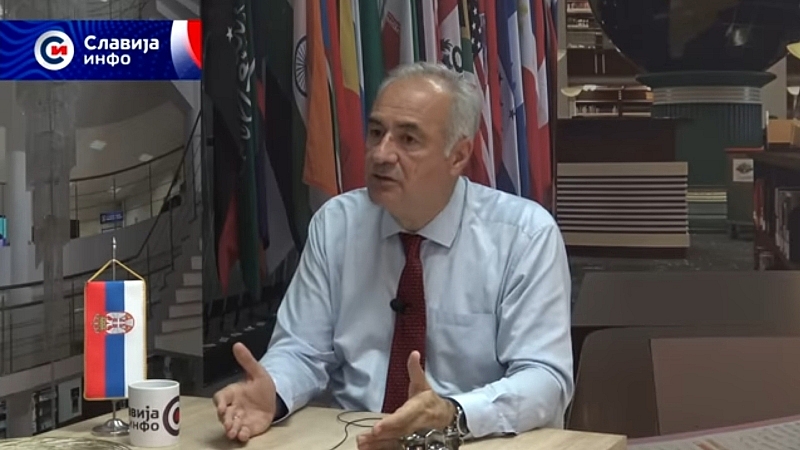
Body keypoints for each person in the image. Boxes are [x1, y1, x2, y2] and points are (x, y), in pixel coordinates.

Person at [213, 62, 574, 449]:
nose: (382, 154)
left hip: (473, 441)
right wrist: (274, 390)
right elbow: (302, 349)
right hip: (354, 439)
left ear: (458, 156)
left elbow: (545, 378)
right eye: (376, 133)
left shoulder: (524, 236)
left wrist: (454, 413)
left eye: (408, 139)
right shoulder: (337, 225)